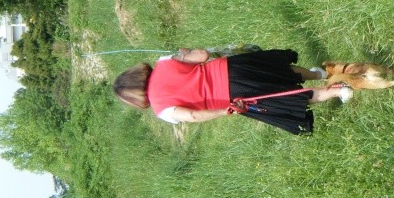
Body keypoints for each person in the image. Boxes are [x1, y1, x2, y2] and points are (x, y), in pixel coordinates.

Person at [113, 47, 351, 134]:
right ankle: (317, 74)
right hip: (232, 68)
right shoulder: (164, 62)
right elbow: (203, 55)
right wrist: (183, 53)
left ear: (134, 99)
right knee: (281, 71)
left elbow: (192, 116)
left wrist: (221, 111)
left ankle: (337, 91)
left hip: (234, 95)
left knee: (289, 99)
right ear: (135, 73)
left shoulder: (161, 110)